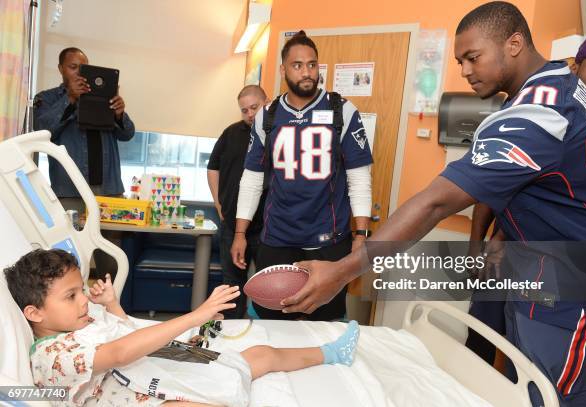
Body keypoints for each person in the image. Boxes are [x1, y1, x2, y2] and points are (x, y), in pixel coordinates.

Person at [283, 3, 586, 405]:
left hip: (575, 291)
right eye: (459, 61)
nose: (465, 71)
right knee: (525, 387)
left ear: (514, 44)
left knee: (559, 396)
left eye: (473, 58)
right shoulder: (563, 80)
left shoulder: (537, 112)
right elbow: (554, 183)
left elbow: (437, 204)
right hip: (539, 274)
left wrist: (342, 270)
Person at [4, 249, 360, 406]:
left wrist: (111, 305)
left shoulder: (81, 322)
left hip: (144, 365)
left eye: (82, 290)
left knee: (254, 356)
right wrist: (196, 314)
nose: (84, 300)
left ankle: (330, 352)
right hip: (128, 397)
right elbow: (121, 351)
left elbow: (125, 334)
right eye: (71, 296)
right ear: (34, 313)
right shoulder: (52, 356)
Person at [465, 33, 586, 367]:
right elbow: (492, 184)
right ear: (577, 67)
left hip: (561, 270)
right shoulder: (538, 106)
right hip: (507, 252)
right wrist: (481, 243)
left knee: (532, 354)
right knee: (481, 337)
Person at [230, 31, 373, 321]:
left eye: (312, 64)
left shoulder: (342, 111)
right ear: (283, 70)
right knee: (273, 320)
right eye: (297, 65)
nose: (307, 72)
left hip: (329, 240)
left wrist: (361, 235)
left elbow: (359, 178)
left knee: (325, 324)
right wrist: (240, 233)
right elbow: (252, 179)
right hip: (278, 238)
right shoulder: (266, 116)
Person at [34, 47, 134, 278]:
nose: (80, 72)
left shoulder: (103, 97)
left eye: (84, 67)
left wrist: (119, 114)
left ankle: (111, 308)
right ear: (61, 69)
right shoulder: (47, 98)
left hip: (108, 191)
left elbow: (127, 134)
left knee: (110, 261)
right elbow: (41, 129)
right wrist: (70, 99)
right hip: (70, 191)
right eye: (73, 67)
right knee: (69, 259)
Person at [207, 85, 267, 318]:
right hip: (232, 226)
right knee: (232, 286)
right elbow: (213, 168)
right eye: (244, 110)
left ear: (266, 102)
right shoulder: (231, 133)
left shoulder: (278, 135)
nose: (250, 114)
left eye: (255, 107)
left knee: (268, 285)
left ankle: (264, 339)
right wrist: (218, 205)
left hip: (266, 228)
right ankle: (230, 337)